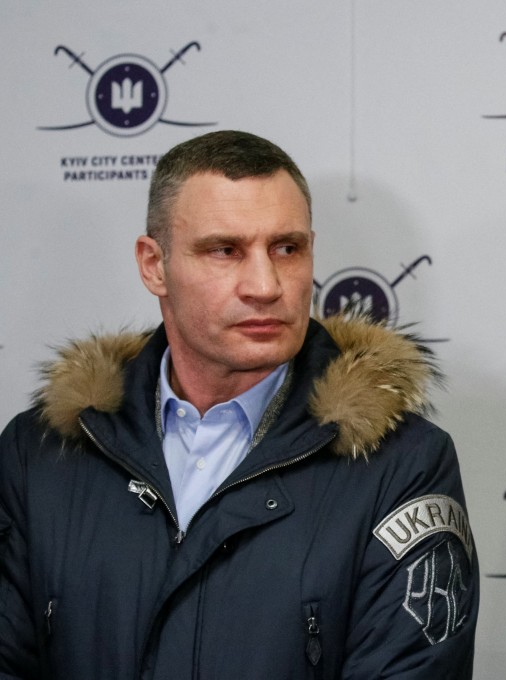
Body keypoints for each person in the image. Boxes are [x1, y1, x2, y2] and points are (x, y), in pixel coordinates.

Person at [0, 130, 478, 678]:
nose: (266, 284)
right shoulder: (38, 455)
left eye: (287, 249)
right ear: (153, 265)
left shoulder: (401, 462)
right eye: (225, 250)